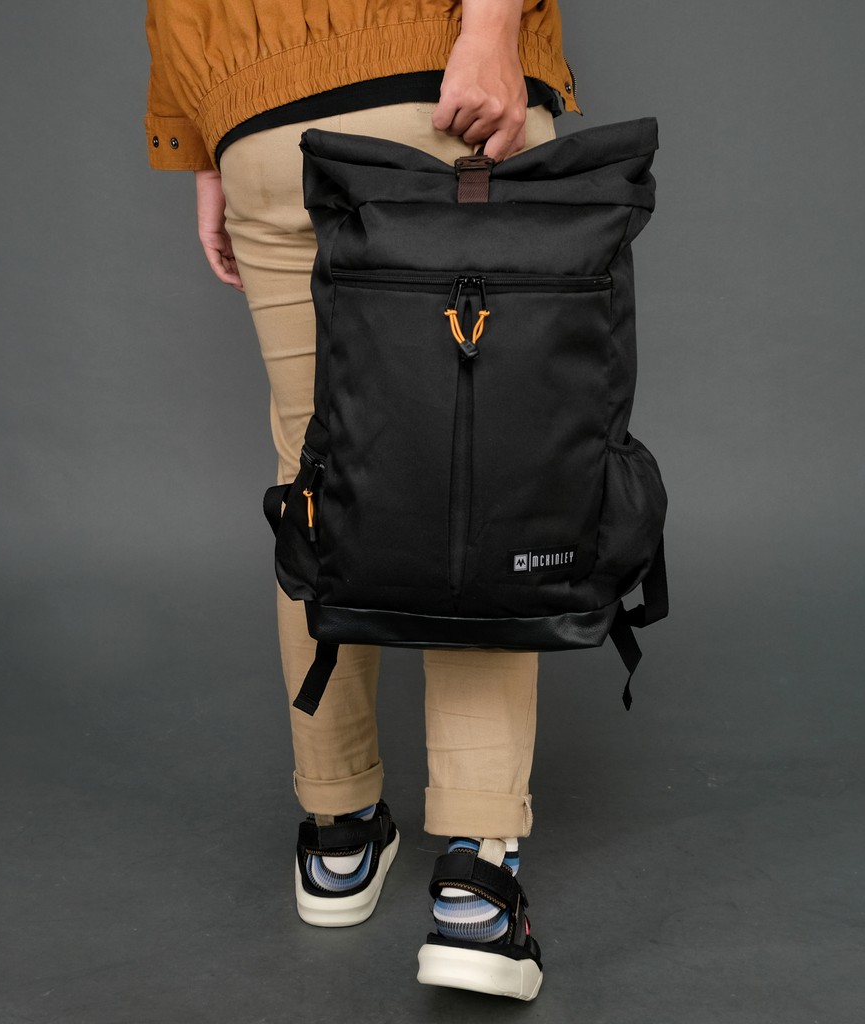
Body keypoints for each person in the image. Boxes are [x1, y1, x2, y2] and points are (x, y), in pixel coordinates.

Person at [144, 0, 578, 1000]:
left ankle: (337, 831)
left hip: (259, 120)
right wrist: (490, 32)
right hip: (434, 94)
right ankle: (474, 881)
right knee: (475, 468)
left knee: (317, 481)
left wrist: (207, 143)